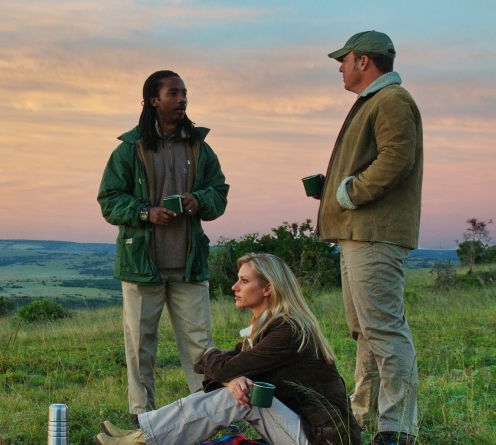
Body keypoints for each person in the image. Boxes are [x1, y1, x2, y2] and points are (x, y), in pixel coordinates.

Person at [94, 253, 362, 445]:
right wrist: (230, 377)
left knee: (243, 395)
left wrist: (229, 375)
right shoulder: (265, 328)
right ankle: (144, 435)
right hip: (304, 430)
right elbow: (208, 366)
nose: (234, 287)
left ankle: (145, 439)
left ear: (268, 288)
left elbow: (220, 365)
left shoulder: (288, 331)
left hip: (323, 439)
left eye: (244, 281)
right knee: (241, 389)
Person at [97, 70, 229, 423]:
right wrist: (145, 212)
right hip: (142, 266)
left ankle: (209, 414)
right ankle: (143, 417)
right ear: (153, 100)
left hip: (188, 265)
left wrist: (197, 201)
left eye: (185, 93)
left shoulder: (200, 147)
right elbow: (108, 200)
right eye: (174, 93)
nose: (182, 99)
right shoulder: (128, 149)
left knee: (201, 345)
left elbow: (219, 194)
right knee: (140, 347)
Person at [318, 30, 422, 445]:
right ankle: (363, 415)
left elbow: (397, 157)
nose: (340, 68)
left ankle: (397, 428)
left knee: (384, 330)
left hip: (373, 233)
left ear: (364, 61)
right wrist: (331, 188)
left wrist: (349, 191)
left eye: (344, 60)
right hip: (358, 232)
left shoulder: (392, 100)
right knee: (366, 331)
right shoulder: (375, 102)